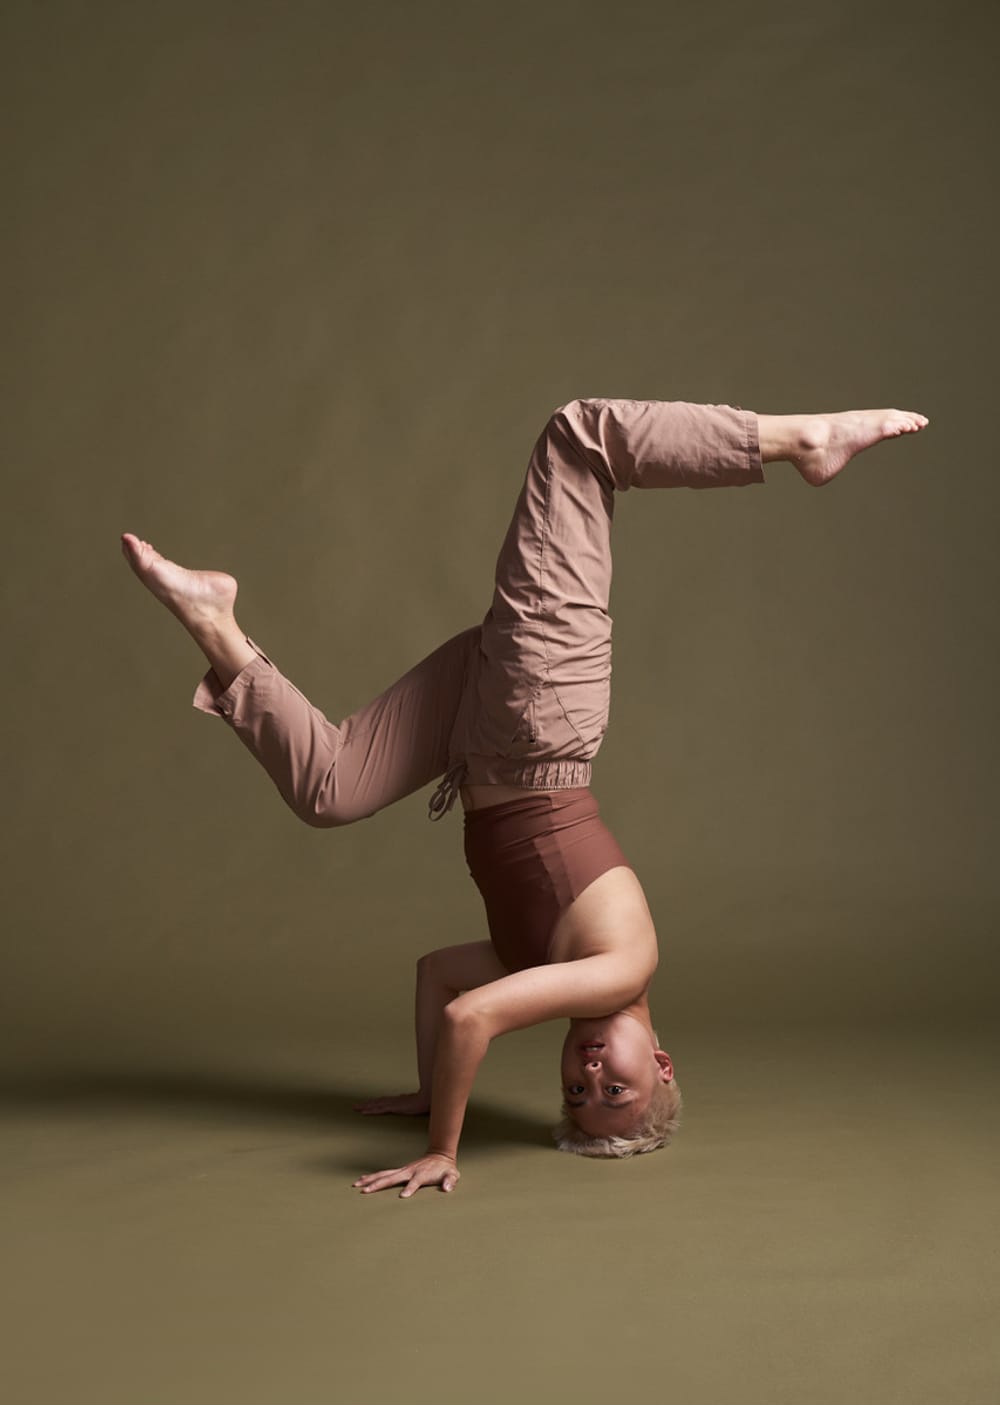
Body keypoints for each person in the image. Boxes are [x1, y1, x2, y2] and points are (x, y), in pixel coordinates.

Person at [120, 397, 929, 1199]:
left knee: (329, 788)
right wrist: (444, 1146)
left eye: (576, 1095)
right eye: (618, 1088)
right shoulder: (618, 967)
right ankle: (801, 440)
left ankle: (214, 620)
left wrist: (433, 1091)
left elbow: (439, 978)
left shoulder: (548, 963)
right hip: (543, 715)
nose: (589, 1076)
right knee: (580, 437)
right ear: (660, 1060)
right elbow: (471, 1018)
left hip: (482, 733)